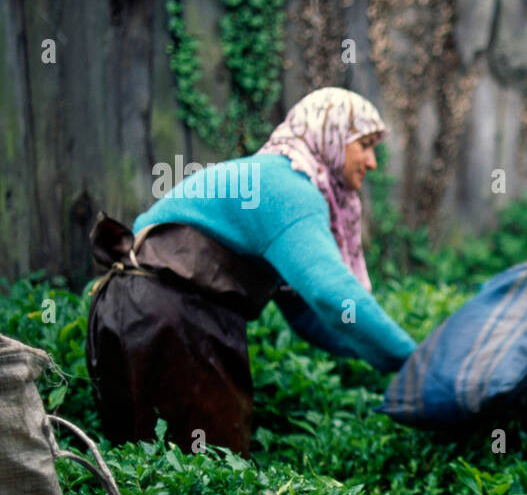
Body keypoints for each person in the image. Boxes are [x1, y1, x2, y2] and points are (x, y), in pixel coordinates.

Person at [86, 87, 417, 457]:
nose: (372, 162)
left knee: (145, 464)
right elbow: (331, 295)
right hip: (168, 314)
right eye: (365, 144)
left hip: (129, 309)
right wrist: (416, 359)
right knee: (206, 471)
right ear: (332, 135)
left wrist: (384, 356)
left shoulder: (275, 179)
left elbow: (307, 315)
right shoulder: (290, 188)